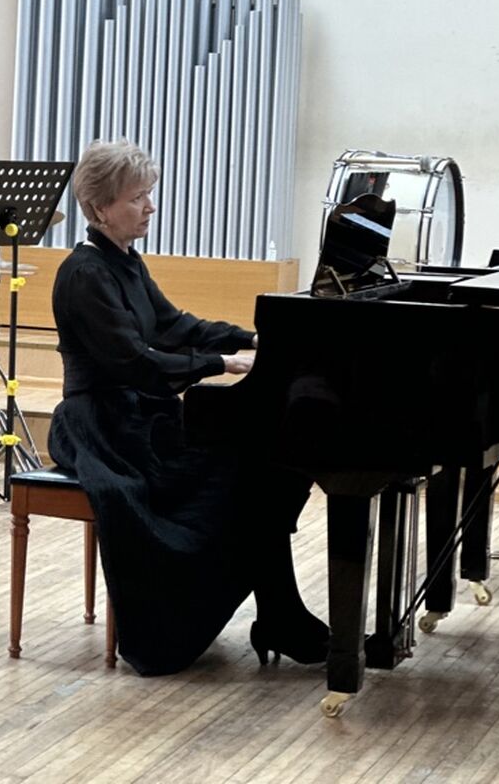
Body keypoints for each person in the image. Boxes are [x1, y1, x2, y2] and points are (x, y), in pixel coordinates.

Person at [48, 138, 327, 677]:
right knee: (243, 476)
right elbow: (134, 362)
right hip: (103, 427)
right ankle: (251, 618)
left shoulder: (125, 262)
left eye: (148, 194)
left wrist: (256, 338)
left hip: (141, 418)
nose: (150, 206)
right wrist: (221, 363)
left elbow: (174, 325)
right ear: (100, 207)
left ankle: (280, 613)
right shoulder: (84, 274)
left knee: (269, 469)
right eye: (137, 197)